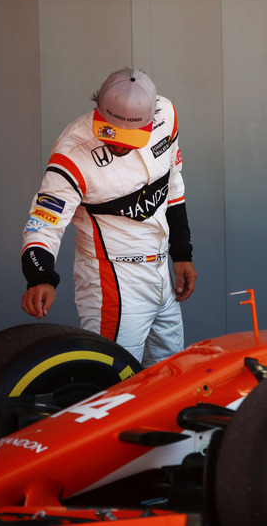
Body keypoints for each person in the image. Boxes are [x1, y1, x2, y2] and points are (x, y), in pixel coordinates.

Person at [20, 68, 197, 367]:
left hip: (162, 272)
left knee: (170, 376)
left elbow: (173, 183)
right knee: (111, 387)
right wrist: (40, 278)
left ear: (150, 120)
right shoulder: (72, 153)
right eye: (110, 133)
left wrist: (182, 253)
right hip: (112, 282)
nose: (117, 145)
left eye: (128, 138)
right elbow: (43, 225)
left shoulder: (166, 114)